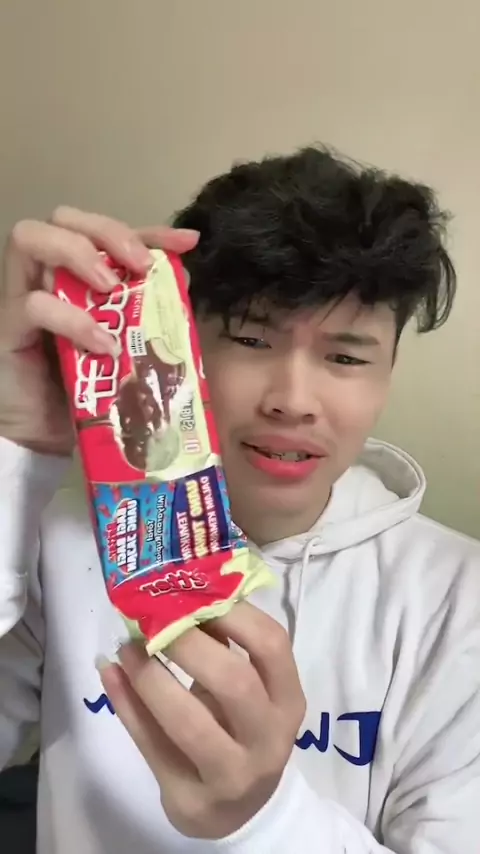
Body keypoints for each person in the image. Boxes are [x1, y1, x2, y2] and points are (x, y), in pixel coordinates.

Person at [0, 146, 479, 854]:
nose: (292, 400)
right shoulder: (65, 531)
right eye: (251, 338)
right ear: (184, 342)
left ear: (388, 371)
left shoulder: (459, 604)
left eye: (346, 357)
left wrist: (263, 821)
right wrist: (14, 451)